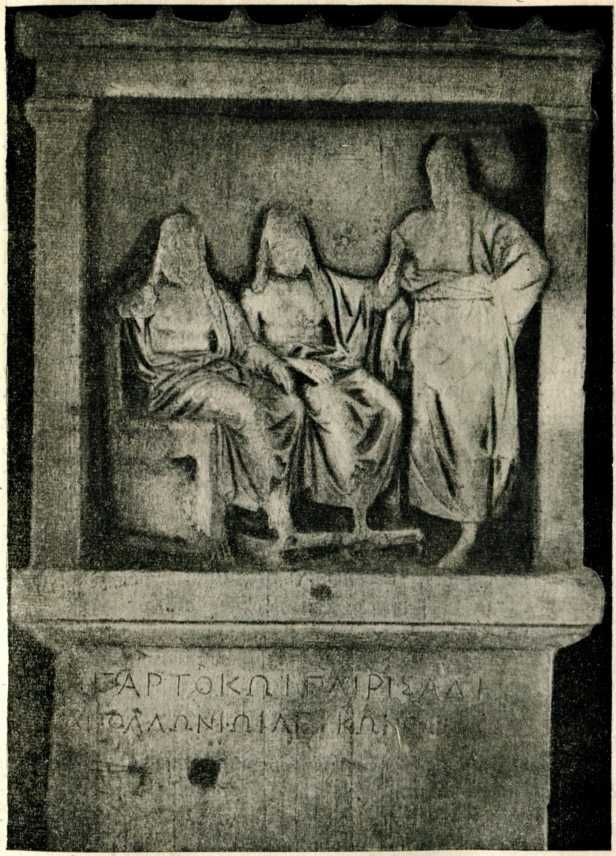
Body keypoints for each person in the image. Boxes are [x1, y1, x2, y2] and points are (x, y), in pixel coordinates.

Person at [379, 136, 550, 569]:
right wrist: (390, 328)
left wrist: (488, 293)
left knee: (471, 436)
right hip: (429, 343)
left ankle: (470, 535)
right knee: (427, 436)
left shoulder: (490, 220)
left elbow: (534, 265)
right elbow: (393, 296)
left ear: (463, 172)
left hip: (474, 341)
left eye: (449, 169)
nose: (441, 180)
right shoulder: (415, 225)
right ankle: (434, 525)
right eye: (434, 172)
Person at [117, 212, 304, 549]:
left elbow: (246, 346)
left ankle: (249, 502)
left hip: (218, 374)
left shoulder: (215, 298)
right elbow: (116, 316)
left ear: (200, 248)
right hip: (171, 385)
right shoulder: (148, 298)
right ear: (162, 250)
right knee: (243, 406)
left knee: (290, 406)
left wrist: (274, 364)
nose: (184, 253)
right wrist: (137, 299)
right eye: (176, 245)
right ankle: (274, 508)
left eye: (191, 245)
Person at [241, 204, 403, 537]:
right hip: (292, 378)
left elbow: (380, 297)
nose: (290, 255)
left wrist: (396, 260)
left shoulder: (323, 285)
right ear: (267, 251)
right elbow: (248, 352)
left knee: (393, 411)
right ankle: (352, 512)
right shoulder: (253, 296)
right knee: (336, 415)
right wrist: (296, 364)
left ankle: (369, 500)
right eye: (282, 248)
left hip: (338, 367)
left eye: (296, 247)